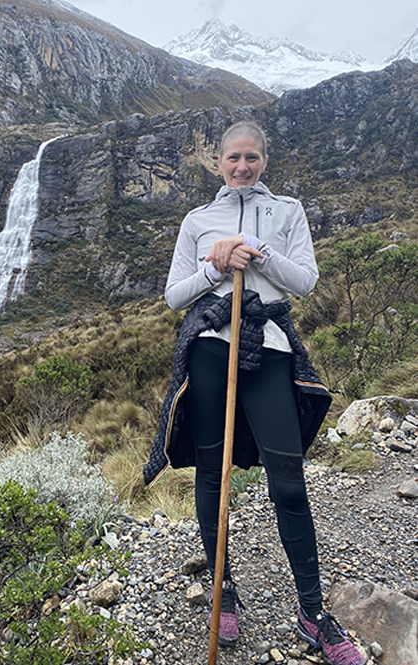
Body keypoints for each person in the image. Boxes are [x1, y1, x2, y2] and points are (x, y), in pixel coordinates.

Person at [143, 121, 364, 664]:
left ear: (265, 160)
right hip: (210, 348)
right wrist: (215, 265)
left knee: (288, 481)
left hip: (269, 350)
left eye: (252, 158)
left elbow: (305, 281)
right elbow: (175, 296)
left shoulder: (288, 211)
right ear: (217, 161)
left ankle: (312, 613)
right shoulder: (197, 220)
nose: (242, 167)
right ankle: (224, 591)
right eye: (233, 158)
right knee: (211, 474)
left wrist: (257, 252)